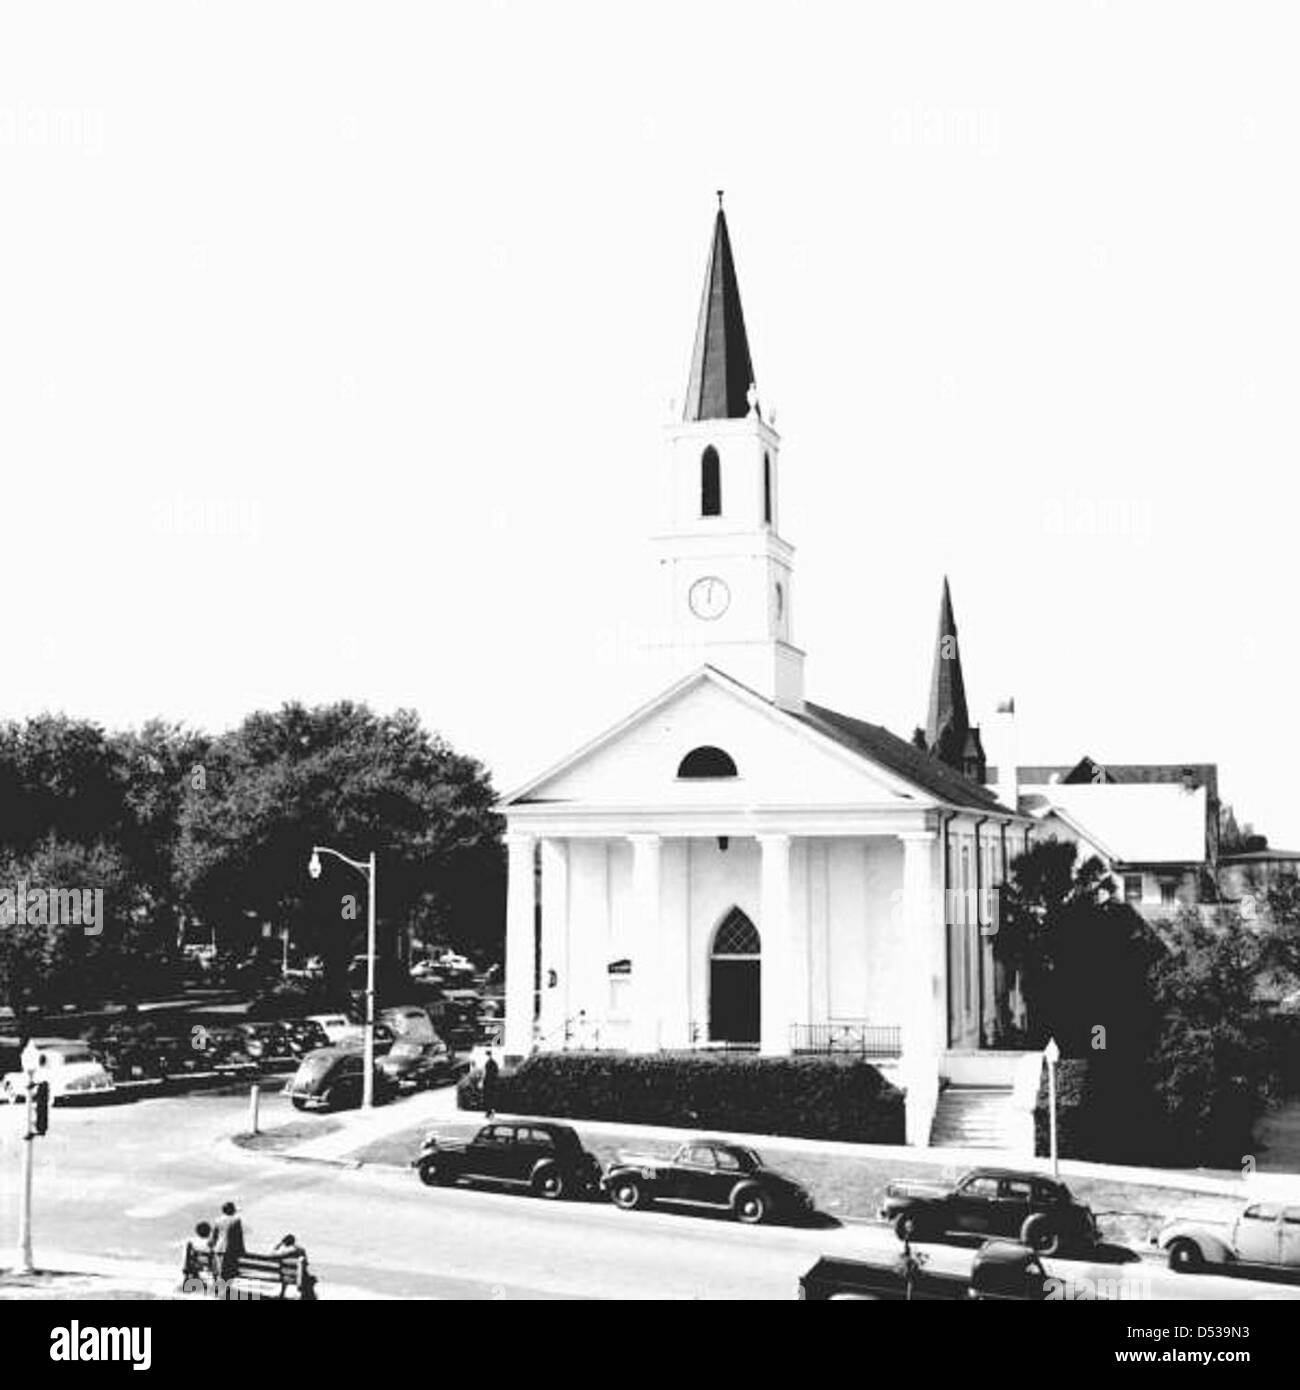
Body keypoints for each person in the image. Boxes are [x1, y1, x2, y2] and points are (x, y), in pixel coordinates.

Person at [212, 1201, 245, 1299]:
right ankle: (226, 1292)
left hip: (218, 1249)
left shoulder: (217, 1220)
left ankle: (219, 1291)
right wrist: (242, 1251)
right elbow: (239, 1237)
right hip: (230, 1250)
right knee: (229, 1271)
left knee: (220, 1270)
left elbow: (214, 1237)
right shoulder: (236, 1220)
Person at [181, 1221, 214, 1294]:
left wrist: (185, 1270)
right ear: (209, 1232)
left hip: (193, 1268)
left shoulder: (192, 1243)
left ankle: (190, 1286)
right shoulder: (212, 1243)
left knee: (193, 1266)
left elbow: (187, 1258)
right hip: (208, 1268)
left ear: (197, 1232)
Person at [482, 1049, 499, 1120]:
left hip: (488, 1083)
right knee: (491, 1098)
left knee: (487, 1098)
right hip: (492, 1083)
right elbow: (496, 1072)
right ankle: (490, 1111)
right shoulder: (494, 1063)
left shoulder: (488, 1063)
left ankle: (488, 1112)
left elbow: (486, 1073)